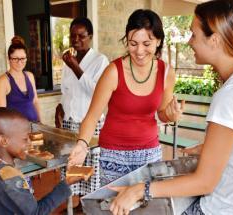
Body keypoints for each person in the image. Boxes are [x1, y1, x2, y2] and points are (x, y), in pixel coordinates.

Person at [108, 1, 233, 215]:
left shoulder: (232, 94)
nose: (190, 42)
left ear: (214, 40)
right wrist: (206, 149)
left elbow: (204, 183)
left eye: (194, 34)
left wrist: (140, 190)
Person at [68, 9, 184, 186]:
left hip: (150, 153)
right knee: (114, 208)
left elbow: (161, 113)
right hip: (114, 155)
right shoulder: (113, 71)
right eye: (133, 43)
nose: (139, 51)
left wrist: (171, 115)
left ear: (158, 41)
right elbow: (92, 117)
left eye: (147, 43)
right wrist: (82, 144)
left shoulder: (166, 72)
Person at [0, 107, 83, 215]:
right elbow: (36, 212)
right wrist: (66, 183)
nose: (30, 143)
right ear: (4, 141)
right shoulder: (8, 176)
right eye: (25, 139)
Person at [55, 17, 109, 196]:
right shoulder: (69, 60)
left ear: (90, 36)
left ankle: (89, 202)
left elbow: (97, 92)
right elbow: (66, 90)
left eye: (81, 36)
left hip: (90, 123)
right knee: (72, 164)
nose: (76, 40)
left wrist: (76, 67)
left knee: (90, 166)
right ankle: (74, 202)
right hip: (70, 121)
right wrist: (60, 107)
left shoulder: (100, 61)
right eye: (72, 36)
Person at [0, 36, 41, 122]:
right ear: (8, 59)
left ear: (26, 58)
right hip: (16, 131)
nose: (19, 62)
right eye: (15, 59)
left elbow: (35, 101)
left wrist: (41, 123)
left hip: (35, 127)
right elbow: (2, 114)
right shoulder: (3, 81)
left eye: (22, 58)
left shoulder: (30, 76)